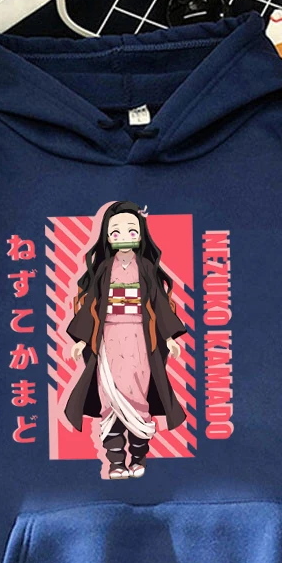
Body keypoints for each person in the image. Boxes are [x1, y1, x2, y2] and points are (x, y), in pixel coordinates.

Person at [65, 201, 187, 479]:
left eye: (131, 230)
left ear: (140, 234)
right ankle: (116, 462)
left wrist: (169, 337)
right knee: (109, 400)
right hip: (108, 339)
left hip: (140, 340)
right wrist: (82, 340)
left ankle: (139, 457)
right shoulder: (104, 269)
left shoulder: (145, 268)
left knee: (138, 398)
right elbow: (92, 304)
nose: (123, 237)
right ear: (108, 237)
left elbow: (158, 303)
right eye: (115, 232)